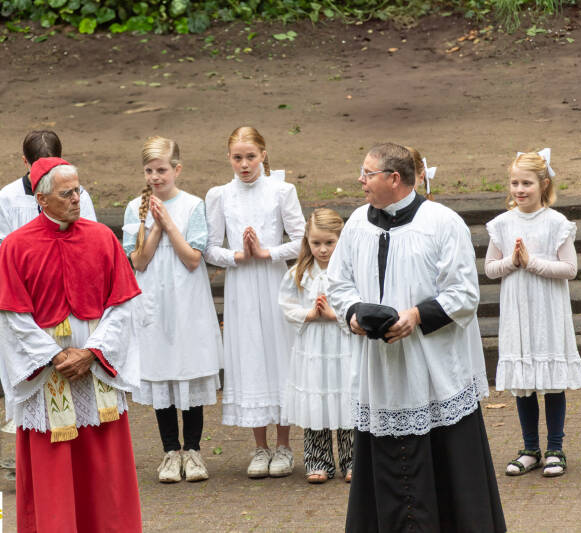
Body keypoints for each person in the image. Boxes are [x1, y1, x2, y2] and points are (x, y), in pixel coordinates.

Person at [328, 142, 505, 532]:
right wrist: (354, 314)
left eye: (367, 173)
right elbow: (337, 283)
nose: (360, 180)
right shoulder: (357, 222)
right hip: (382, 375)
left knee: (449, 476)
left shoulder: (442, 223)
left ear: (394, 178)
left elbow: (464, 293)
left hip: (432, 376)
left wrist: (414, 316)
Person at [0, 157, 143, 532]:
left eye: (78, 190)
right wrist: (54, 355)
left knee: (104, 471)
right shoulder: (17, 247)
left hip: (95, 369)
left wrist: (92, 352)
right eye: (66, 193)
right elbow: (11, 319)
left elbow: (121, 306)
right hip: (48, 373)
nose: (76, 198)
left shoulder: (102, 238)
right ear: (42, 199)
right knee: (55, 472)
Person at [204, 126, 305, 478]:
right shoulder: (219, 195)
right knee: (249, 354)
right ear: (229, 158)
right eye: (237, 158)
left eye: (250, 156)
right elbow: (211, 247)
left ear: (263, 154)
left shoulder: (281, 191)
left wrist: (267, 251)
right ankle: (259, 446)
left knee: (278, 351)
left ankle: (284, 444)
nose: (244, 164)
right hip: (242, 285)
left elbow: (303, 239)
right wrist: (238, 255)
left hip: (274, 280)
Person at [123, 136, 222, 483]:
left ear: (176, 169)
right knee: (161, 371)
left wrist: (168, 224)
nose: (155, 176)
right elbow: (139, 261)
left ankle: (193, 450)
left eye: (162, 170)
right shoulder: (135, 207)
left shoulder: (193, 205)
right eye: (149, 170)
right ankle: (170, 450)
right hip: (153, 300)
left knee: (188, 368)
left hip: (186, 301)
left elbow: (193, 258)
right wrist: (153, 229)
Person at [485, 149, 581, 478]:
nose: (519, 189)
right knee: (524, 382)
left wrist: (532, 263)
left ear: (543, 184)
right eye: (514, 182)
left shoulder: (556, 223)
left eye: (526, 182)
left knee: (551, 383)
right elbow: (490, 269)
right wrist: (512, 262)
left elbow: (569, 268)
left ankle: (555, 447)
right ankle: (530, 447)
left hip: (547, 308)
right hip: (517, 311)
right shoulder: (502, 224)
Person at [278, 208, 353, 484]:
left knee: (346, 396)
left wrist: (335, 314)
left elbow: (360, 304)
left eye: (329, 243)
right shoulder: (300, 273)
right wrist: (309, 314)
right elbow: (286, 305)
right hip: (313, 347)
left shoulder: (348, 271)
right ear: (307, 242)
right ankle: (318, 459)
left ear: (340, 240)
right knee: (317, 396)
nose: (323, 250)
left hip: (341, 344)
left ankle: (351, 459)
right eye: (316, 243)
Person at [0, 130, 96, 265]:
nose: (45, 177)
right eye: (39, 170)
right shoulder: (8, 198)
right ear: (25, 161)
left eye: (51, 170)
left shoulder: (78, 195)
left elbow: (91, 239)